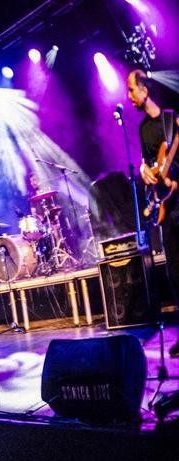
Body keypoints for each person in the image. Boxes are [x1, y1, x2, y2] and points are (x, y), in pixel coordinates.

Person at [128, 69, 179, 357]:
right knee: (174, 271)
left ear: (145, 91)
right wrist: (146, 171)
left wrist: (176, 179)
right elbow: (148, 162)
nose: (129, 95)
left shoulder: (172, 120)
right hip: (167, 208)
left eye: (131, 89)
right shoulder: (143, 129)